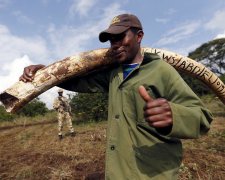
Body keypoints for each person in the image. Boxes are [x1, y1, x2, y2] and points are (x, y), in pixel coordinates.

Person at [19, 14, 213, 179]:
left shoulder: (161, 70)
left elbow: (203, 117)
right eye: (112, 40)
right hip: (119, 169)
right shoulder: (114, 74)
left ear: (139, 36)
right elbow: (78, 81)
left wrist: (173, 115)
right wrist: (45, 71)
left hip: (152, 172)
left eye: (121, 37)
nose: (115, 45)